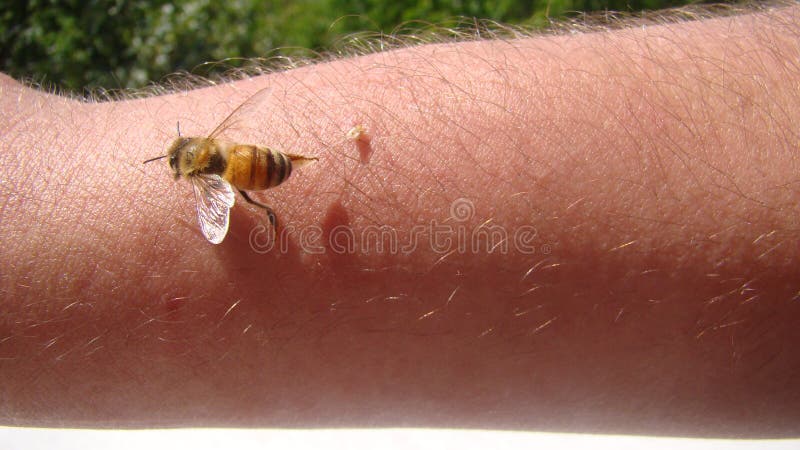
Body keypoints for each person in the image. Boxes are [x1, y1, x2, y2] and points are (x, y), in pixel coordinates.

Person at [0, 4, 798, 437]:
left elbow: (216, 199)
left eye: (182, 164)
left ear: (189, 163)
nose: (189, 168)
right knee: (258, 174)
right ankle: (286, 182)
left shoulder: (206, 176)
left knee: (256, 190)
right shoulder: (218, 150)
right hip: (260, 157)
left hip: (256, 173)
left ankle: (281, 190)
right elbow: (235, 150)